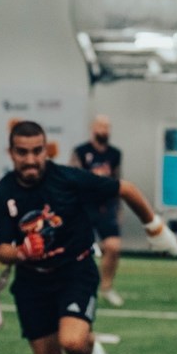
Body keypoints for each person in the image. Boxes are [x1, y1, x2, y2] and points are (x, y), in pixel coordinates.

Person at [0, 120, 177, 354]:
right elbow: (2, 250)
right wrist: (22, 251)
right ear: (11, 153)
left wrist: (155, 230)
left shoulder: (67, 179)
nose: (30, 159)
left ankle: (91, 348)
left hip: (74, 272)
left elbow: (126, 189)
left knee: (74, 343)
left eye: (37, 151)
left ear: (46, 150)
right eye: (22, 152)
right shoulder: (3, 192)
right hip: (32, 283)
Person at [71, 115, 126, 306]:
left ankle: (107, 287)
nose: (105, 130)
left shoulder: (115, 154)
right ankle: (77, 287)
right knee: (78, 250)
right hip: (84, 207)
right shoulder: (81, 151)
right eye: (101, 126)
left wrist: (118, 209)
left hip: (106, 208)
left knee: (113, 247)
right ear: (93, 128)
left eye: (108, 126)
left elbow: (118, 181)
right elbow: (73, 178)